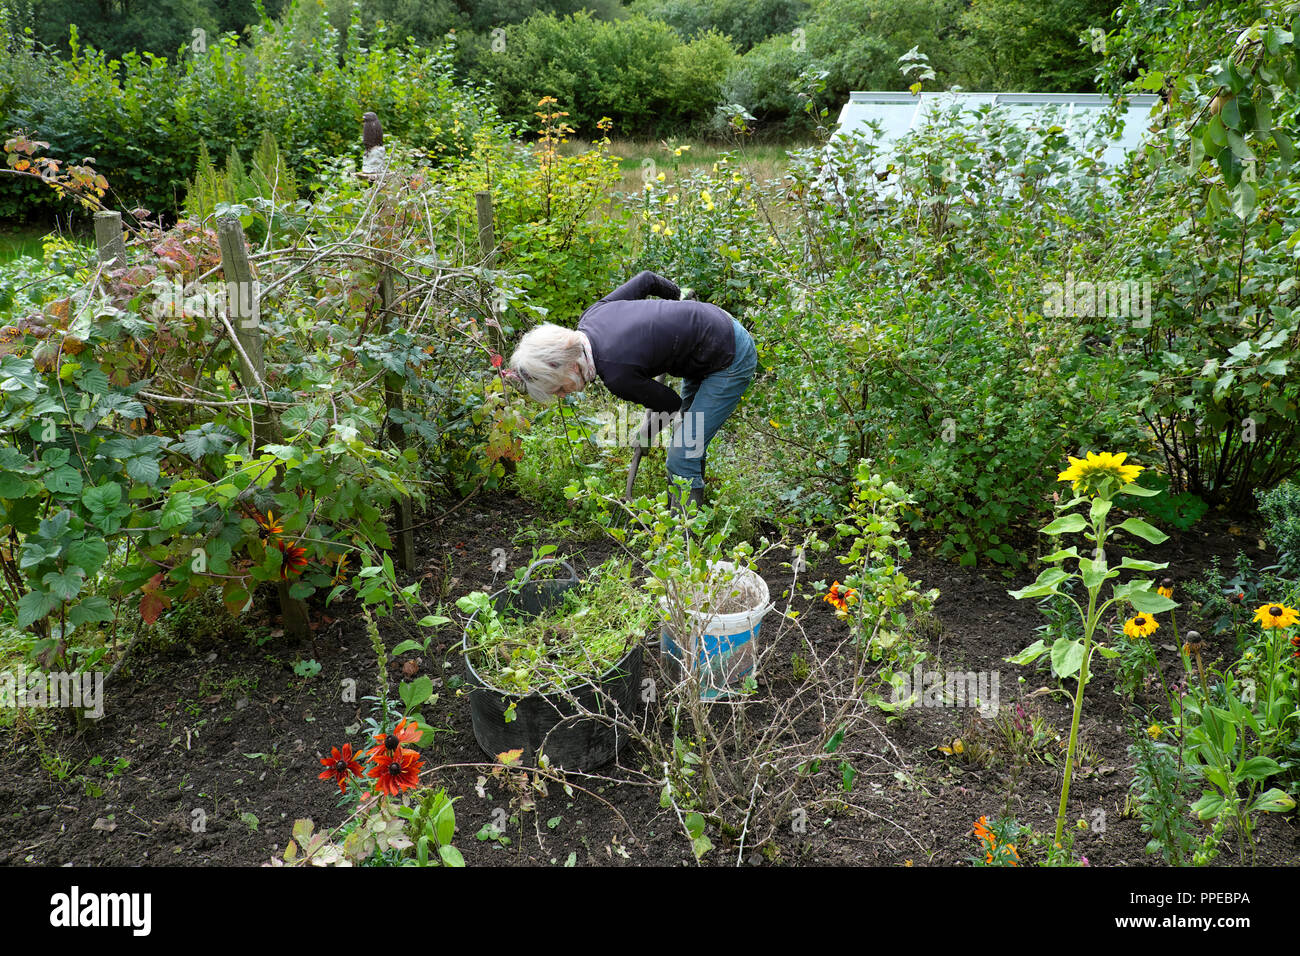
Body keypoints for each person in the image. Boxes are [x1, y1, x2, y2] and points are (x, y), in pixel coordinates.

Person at [505, 271, 757, 509]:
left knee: (682, 454)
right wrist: (677, 299)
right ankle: (680, 519)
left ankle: (687, 540)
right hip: (708, 332)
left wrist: (646, 434)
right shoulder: (591, 317)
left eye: (558, 387)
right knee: (688, 438)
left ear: (568, 365)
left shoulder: (616, 373)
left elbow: (670, 404)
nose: (562, 394)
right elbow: (647, 280)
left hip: (729, 357)